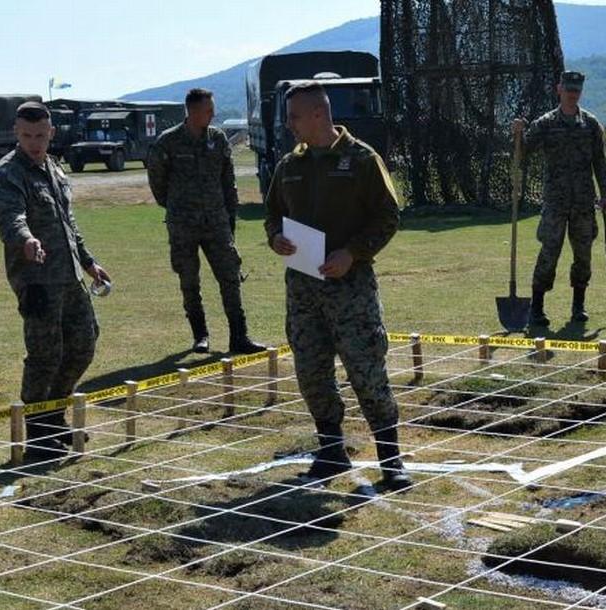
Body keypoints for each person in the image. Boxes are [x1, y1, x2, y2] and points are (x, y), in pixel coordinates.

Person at [264, 82, 411, 492]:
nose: (288, 125)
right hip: (303, 289)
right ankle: (331, 452)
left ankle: (391, 458)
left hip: (350, 288)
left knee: (366, 370)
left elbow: (388, 217)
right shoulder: (288, 166)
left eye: (294, 116)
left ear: (317, 114)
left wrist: (353, 253)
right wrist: (275, 238)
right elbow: (273, 215)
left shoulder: (362, 160)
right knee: (311, 371)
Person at [0, 102, 111, 460]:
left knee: (83, 345)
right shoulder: (7, 173)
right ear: (16, 133)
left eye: (40, 135)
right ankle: (38, 435)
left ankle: (53, 415)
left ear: (51, 133)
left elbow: (69, 226)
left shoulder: (56, 171)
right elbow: (11, 217)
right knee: (44, 355)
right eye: (26, 135)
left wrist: (89, 263)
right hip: (37, 281)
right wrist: (25, 240)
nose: (34, 142)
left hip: (70, 276)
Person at [147, 88, 264, 354]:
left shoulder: (218, 139)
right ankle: (200, 335)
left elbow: (228, 179)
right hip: (183, 225)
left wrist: (229, 214)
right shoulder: (169, 142)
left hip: (217, 222)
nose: (213, 114)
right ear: (192, 111)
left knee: (230, 277)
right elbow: (157, 180)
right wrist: (176, 206)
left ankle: (239, 336)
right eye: (208, 110)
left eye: (213, 109)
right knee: (189, 280)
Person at [512, 70, 606, 327]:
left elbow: (600, 163)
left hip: (583, 202)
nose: (572, 94)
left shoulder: (590, 125)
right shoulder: (545, 123)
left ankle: (578, 306)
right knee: (549, 252)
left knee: (583, 255)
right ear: (559, 90)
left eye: (576, 90)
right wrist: (518, 135)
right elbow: (523, 152)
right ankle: (537, 308)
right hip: (555, 201)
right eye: (568, 90)